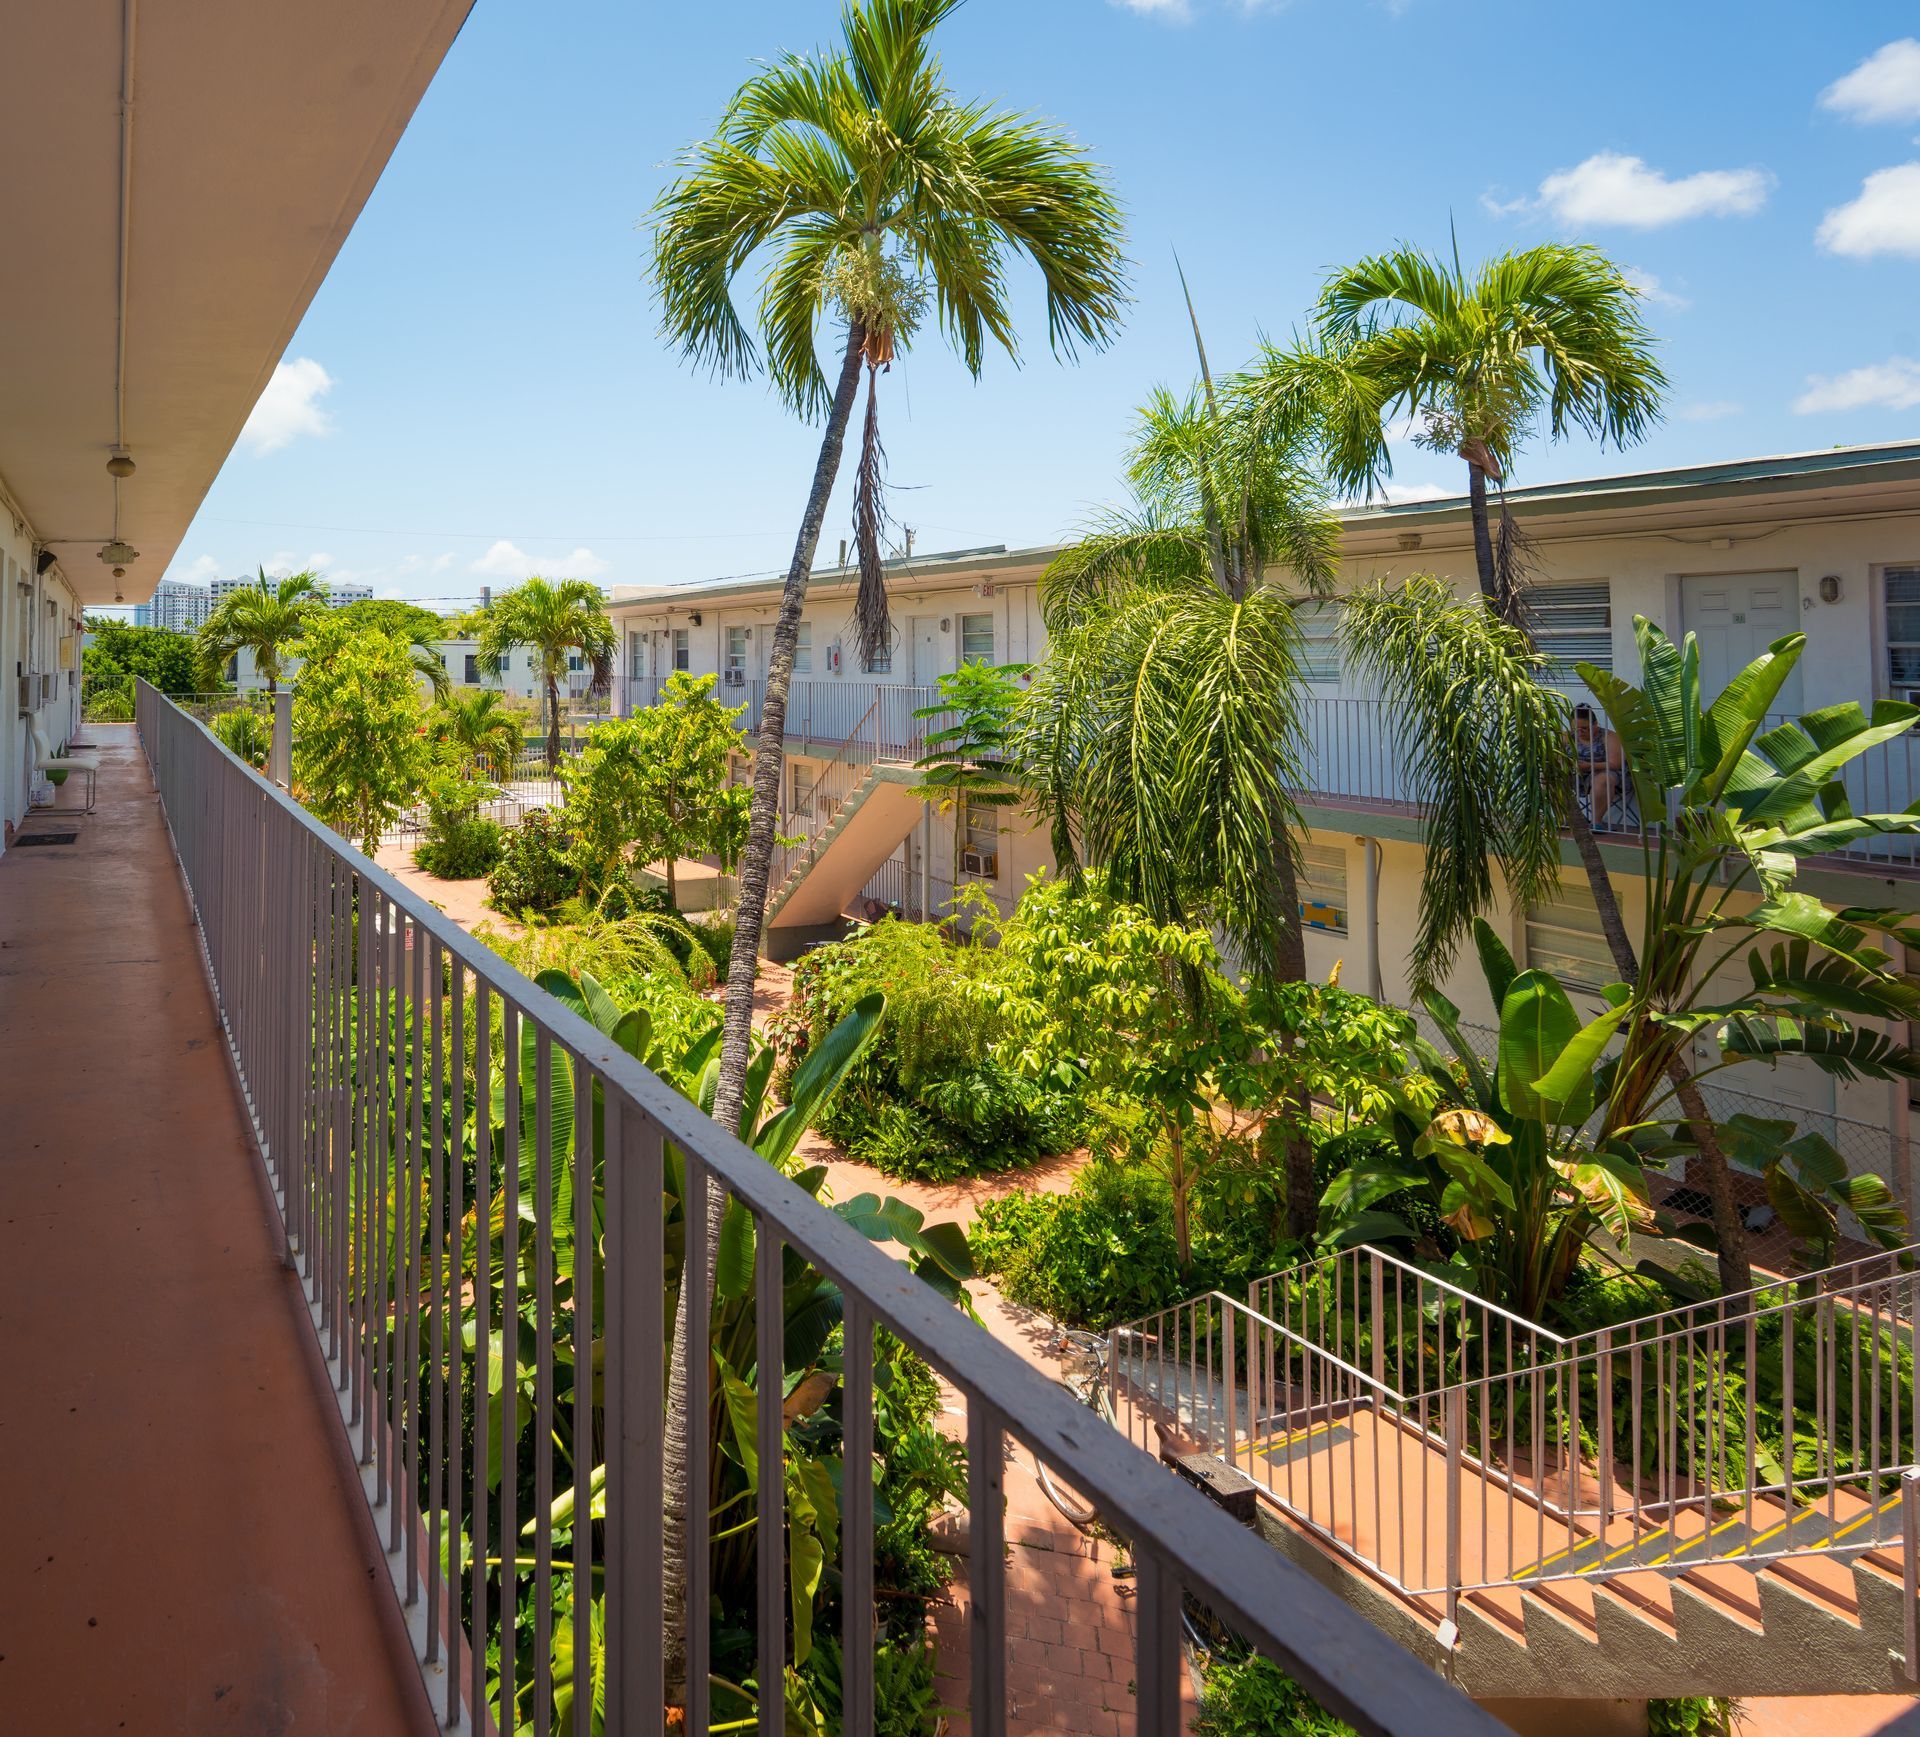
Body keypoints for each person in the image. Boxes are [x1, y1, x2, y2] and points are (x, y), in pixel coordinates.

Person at [1573, 702, 1626, 828]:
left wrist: (1590, 766)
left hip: (1604, 772)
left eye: (1584, 728)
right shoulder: (1567, 736)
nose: (1580, 732)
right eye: (1576, 729)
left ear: (1595, 724)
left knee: (1602, 780)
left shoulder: (1608, 736)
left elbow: (1614, 764)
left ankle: (1596, 821)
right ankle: (1569, 818)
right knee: (1549, 776)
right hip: (1576, 773)